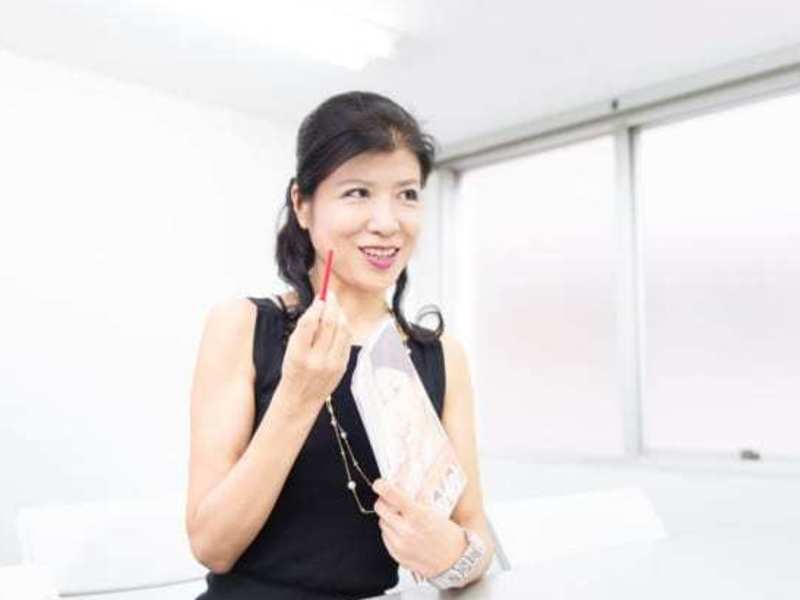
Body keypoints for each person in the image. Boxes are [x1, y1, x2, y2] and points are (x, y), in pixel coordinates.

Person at [186, 91, 495, 599]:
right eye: (357, 192)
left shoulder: (443, 357)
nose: (388, 222)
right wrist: (299, 395)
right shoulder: (242, 326)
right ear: (302, 205)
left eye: (407, 194)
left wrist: (452, 555)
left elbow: (476, 533)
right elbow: (211, 545)